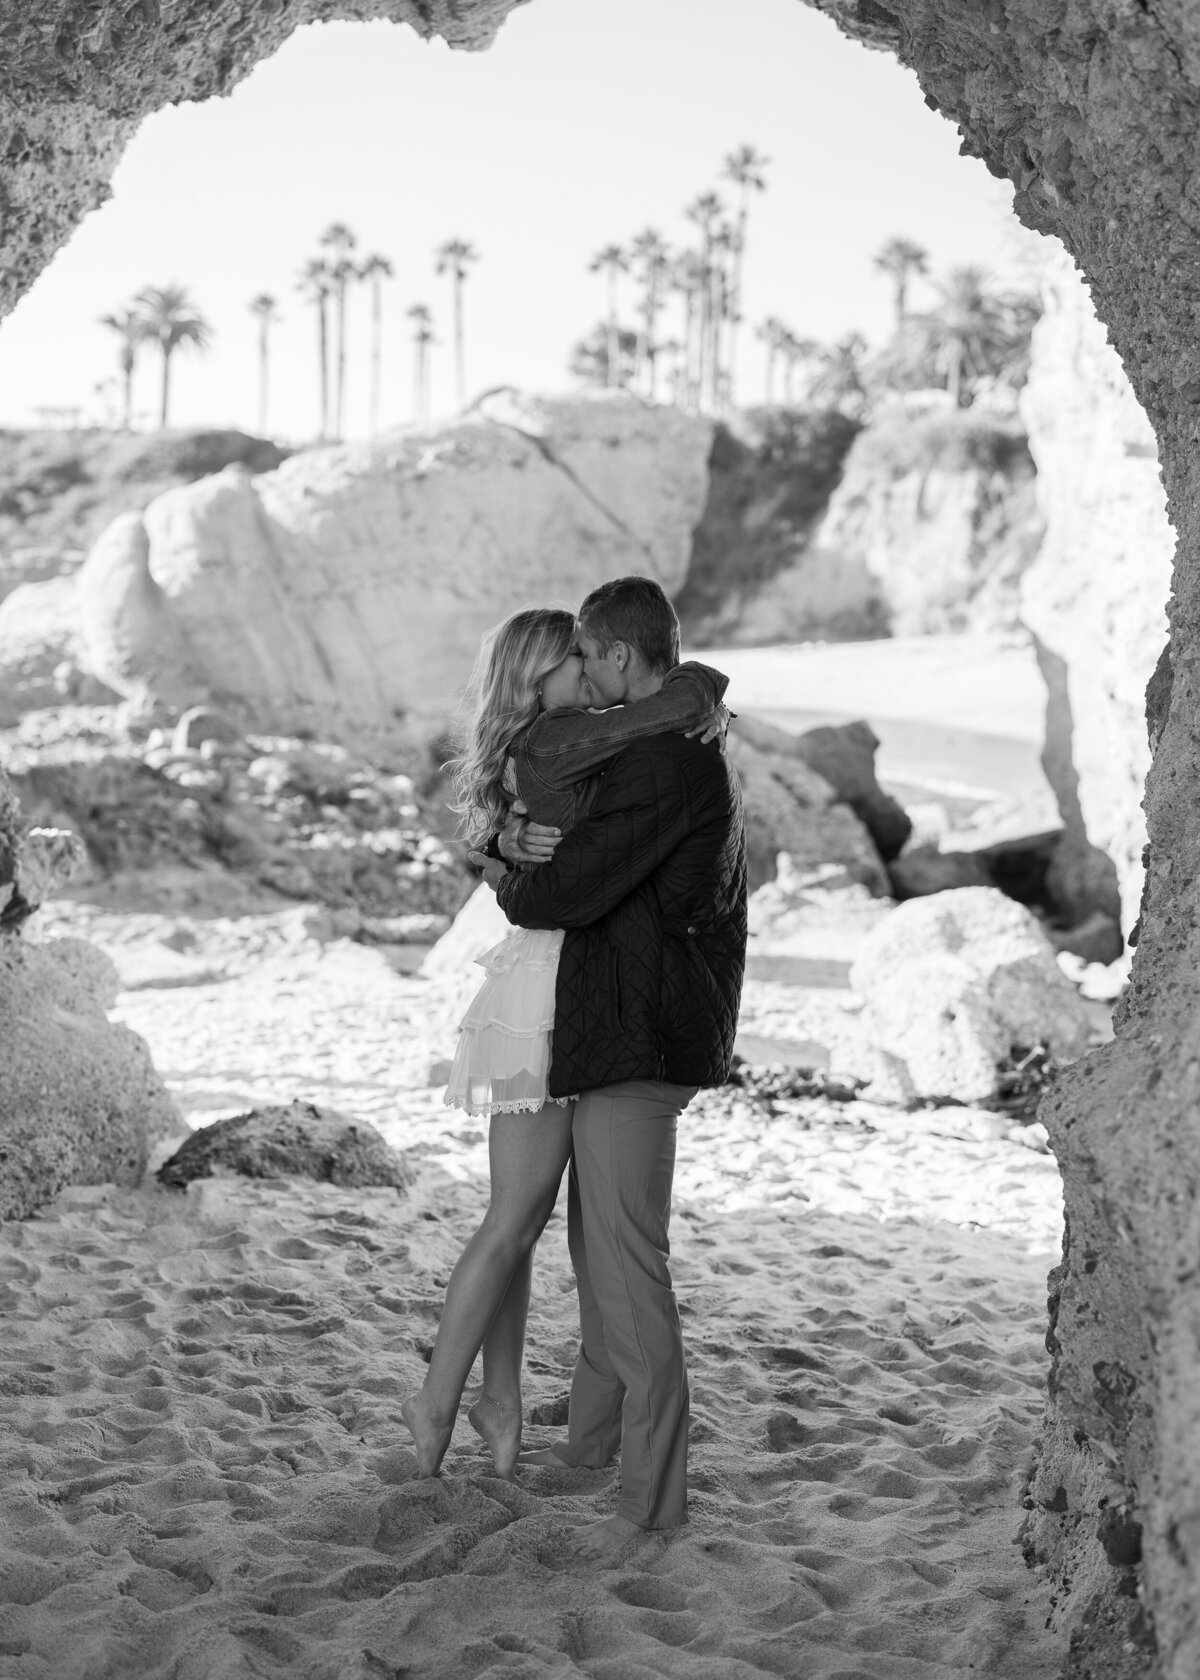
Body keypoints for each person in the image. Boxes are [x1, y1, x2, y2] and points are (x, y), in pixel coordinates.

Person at [400, 604, 729, 1482]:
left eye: (589, 655)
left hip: (561, 982)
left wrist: (501, 845)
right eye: (570, 659)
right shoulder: (558, 736)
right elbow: (659, 717)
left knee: (523, 1218)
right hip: (543, 988)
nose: (587, 670)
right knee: (514, 1219)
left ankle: (497, 1400)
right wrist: (703, 688)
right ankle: (438, 1401)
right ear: (534, 679)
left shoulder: (577, 735)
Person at [481, 576, 748, 1562]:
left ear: (623, 659)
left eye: (588, 658)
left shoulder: (664, 768)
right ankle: (593, 1448)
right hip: (624, 1025)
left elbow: (557, 895)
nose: (581, 676)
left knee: (629, 1266)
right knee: (602, 1255)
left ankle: (653, 1495)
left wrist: (515, 867)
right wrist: (509, 840)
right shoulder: (665, 746)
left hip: (644, 1033)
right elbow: (551, 849)